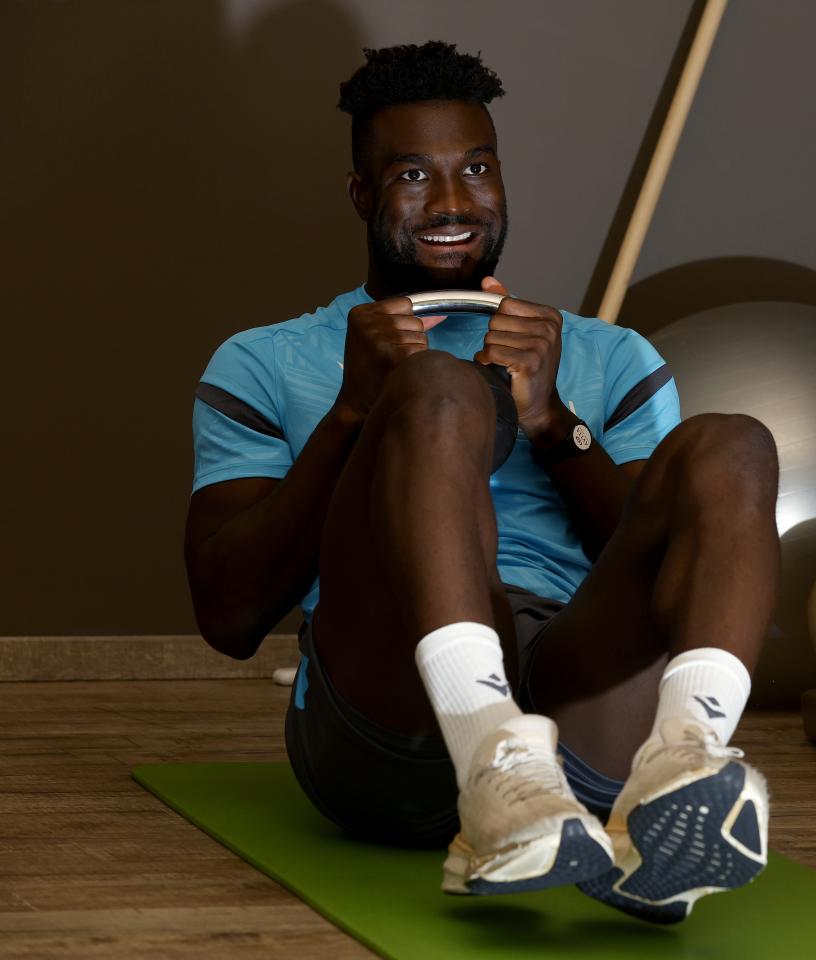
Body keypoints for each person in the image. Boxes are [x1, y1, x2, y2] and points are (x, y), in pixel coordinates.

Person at [184, 41, 780, 924]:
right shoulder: (265, 361)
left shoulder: (611, 357)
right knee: (436, 390)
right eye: (414, 176)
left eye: (477, 170)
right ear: (361, 195)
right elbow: (227, 618)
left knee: (734, 445)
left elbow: (665, 565)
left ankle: (682, 766)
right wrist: (355, 413)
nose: (454, 203)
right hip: (387, 718)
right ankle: (496, 763)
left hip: (573, 683)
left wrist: (558, 429)